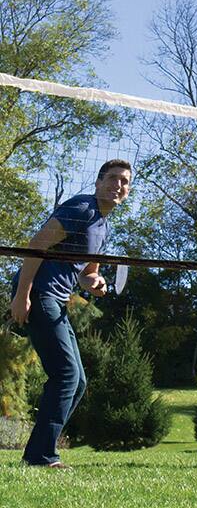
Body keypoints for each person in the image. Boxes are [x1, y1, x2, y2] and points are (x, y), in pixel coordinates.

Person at [10, 159, 132, 468]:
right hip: (39, 294)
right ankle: (41, 457)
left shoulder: (102, 227)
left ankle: (39, 452)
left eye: (124, 181)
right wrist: (22, 295)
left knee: (77, 382)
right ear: (98, 183)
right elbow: (36, 245)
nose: (118, 184)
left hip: (56, 298)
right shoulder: (83, 208)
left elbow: (88, 274)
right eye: (113, 178)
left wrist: (97, 284)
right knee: (66, 375)